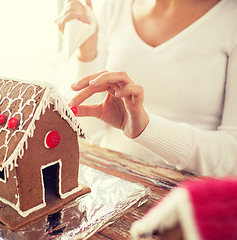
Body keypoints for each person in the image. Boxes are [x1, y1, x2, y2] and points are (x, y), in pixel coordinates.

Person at [56, 0, 237, 176]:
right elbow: (88, 131)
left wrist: (146, 128)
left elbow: (232, 157)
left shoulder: (230, 20)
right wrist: (87, 53)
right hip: (110, 182)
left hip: (182, 197)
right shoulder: (115, 7)